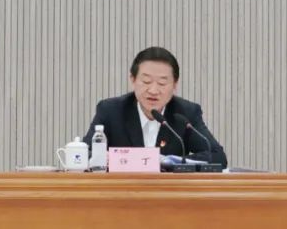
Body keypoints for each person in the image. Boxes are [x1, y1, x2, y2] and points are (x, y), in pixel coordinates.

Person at [83, 46, 227, 166]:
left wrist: (169, 161)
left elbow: (218, 156)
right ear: (133, 80)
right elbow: (85, 153)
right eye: (146, 81)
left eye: (162, 83)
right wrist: (111, 159)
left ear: (174, 85)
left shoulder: (185, 113)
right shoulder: (110, 110)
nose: (153, 90)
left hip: (169, 190)